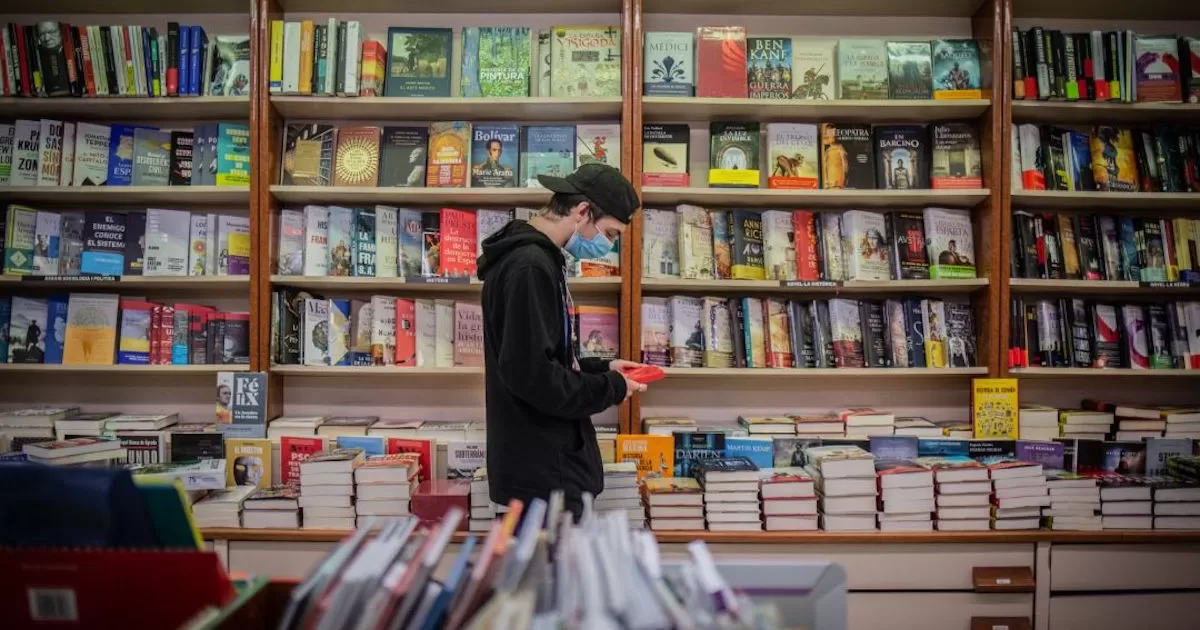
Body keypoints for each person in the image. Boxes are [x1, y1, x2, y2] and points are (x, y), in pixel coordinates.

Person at [477, 163, 648, 518]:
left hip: (543, 469)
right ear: (582, 211)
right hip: (542, 478)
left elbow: (544, 355)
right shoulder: (530, 266)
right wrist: (611, 388)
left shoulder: (538, 261)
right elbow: (535, 377)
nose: (608, 245)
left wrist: (604, 367)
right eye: (611, 234)